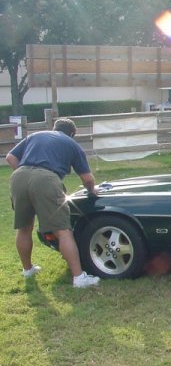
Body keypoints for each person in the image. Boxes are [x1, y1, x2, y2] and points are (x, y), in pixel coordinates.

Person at [6, 118, 100, 288]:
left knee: (24, 227)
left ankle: (28, 270)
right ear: (72, 133)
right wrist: (92, 190)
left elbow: (10, 157)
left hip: (19, 177)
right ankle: (79, 278)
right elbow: (87, 178)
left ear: (54, 128)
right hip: (46, 178)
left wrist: (25, 172)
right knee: (63, 231)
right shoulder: (71, 144)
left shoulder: (36, 135)